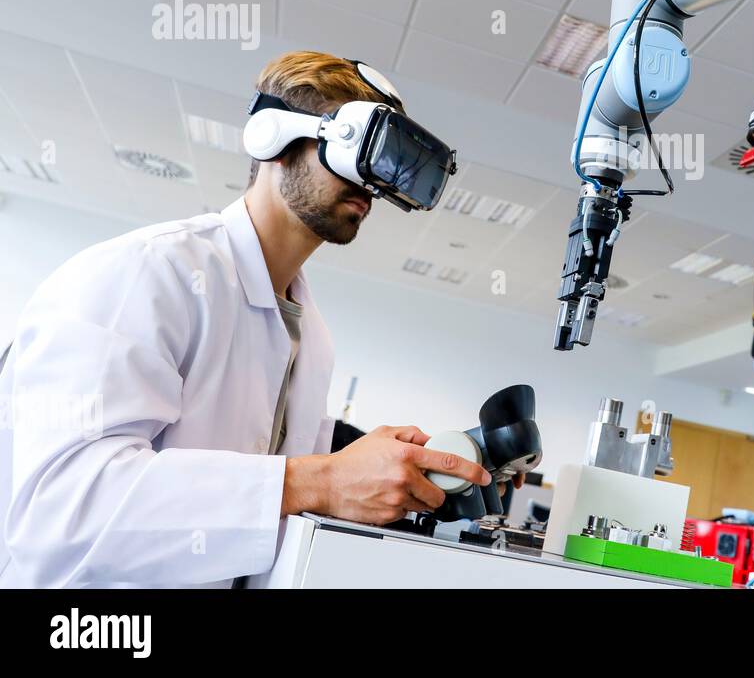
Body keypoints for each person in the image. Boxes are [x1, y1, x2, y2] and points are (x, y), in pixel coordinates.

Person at [0, 51, 507, 587]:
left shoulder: (312, 334)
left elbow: (259, 467)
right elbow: (60, 515)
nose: (370, 185)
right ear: (274, 138)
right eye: (354, 151)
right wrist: (319, 480)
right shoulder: (148, 275)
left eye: (381, 167)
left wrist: (375, 463)